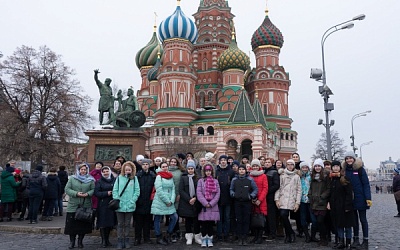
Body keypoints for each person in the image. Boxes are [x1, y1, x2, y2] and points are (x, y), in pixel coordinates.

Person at [343, 151, 371, 249]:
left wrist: (368, 198)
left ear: (354, 159)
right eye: (347, 158)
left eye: (350, 158)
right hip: (351, 200)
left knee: (363, 220)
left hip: (361, 198)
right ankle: (356, 240)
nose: (349, 160)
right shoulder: (345, 171)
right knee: (354, 221)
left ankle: (365, 241)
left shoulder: (360, 170)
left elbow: (366, 184)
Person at [64, 163, 95, 249]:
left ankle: (80, 241)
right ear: (79, 170)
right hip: (73, 205)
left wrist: (88, 194)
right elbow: (67, 189)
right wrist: (76, 193)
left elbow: (93, 189)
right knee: (72, 225)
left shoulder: (91, 180)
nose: (83, 171)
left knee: (82, 225)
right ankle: (72, 241)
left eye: (85, 170)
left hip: (85, 204)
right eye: (81, 169)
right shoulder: (72, 179)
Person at [328, 160, 355, 249]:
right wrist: (329, 203)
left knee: (347, 226)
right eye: (334, 166)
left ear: (340, 167)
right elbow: (330, 193)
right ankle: (341, 242)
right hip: (335, 206)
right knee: (339, 225)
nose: (335, 168)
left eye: (337, 166)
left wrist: (347, 206)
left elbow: (349, 193)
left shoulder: (344, 178)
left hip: (345, 206)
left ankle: (348, 242)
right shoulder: (331, 179)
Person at [112, 161, 140, 249]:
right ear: (123, 170)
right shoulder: (119, 178)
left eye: (129, 169)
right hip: (120, 205)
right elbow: (115, 190)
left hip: (130, 205)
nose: (127, 171)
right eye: (126, 169)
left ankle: (126, 240)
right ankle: (120, 240)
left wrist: (133, 201)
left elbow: (137, 191)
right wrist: (117, 200)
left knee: (127, 224)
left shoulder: (134, 179)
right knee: (120, 224)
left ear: (132, 170)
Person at [151, 161, 178, 246]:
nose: (165, 168)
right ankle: (158, 236)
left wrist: (172, 200)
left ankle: (168, 234)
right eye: (163, 166)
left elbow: (173, 188)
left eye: (166, 166)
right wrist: (166, 201)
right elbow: (159, 190)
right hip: (160, 200)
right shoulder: (159, 176)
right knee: (158, 218)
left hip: (170, 200)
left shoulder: (170, 176)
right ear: (160, 167)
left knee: (174, 217)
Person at [274, 159, 301, 244]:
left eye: (291, 164)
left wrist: (297, 202)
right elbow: (279, 187)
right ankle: (290, 233)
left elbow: (299, 190)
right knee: (283, 215)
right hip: (283, 198)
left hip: (292, 199)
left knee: (287, 216)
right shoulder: (282, 175)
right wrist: (277, 199)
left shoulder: (297, 177)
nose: (290, 166)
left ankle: (289, 234)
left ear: (293, 166)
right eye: (288, 164)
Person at [178, 159, 201, 245]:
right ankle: (189, 236)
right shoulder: (183, 178)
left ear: (194, 169)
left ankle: (197, 236)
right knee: (188, 220)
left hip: (196, 202)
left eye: (192, 168)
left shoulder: (198, 178)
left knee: (196, 220)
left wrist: (195, 198)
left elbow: (200, 189)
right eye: (189, 168)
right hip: (186, 202)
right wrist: (189, 199)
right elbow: (181, 190)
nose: (190, 170)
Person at [197, 164, 221, 248]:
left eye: (209, 171)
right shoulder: (201, 181)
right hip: (204, 206)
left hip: (212, 206)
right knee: (203, 224)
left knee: (210, 224)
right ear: (204, 172)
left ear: (212, 171)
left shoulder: (215, 181)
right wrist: (205, 203)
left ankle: (210, 239)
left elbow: (218, 193)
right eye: (206, 171)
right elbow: (199, 193)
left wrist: (211, 203)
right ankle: (204, 239)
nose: (208, 172)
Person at [308, 158, 331, 246]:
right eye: (316, 166)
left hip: (322, 202)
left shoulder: (326, 176)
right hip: (314, 202)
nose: (317, 168)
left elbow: (328, 188)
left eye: (319, 166)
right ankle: (322, 238)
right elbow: (311, 188)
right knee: (318, 222)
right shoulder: (313, 176)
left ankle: (324, 238)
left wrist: (322, 197)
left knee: (321, 221)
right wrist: (310, 196)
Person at [134, 158, 156, 245]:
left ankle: (147, 238)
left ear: (149, 165)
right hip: (139, 201)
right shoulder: (137, 175)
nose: (145, 166)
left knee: (147, 222)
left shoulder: (152, 175)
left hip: (149, 201)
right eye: (144, 164)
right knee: (138, 222)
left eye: (147, 164)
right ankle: (137, 238)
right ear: (141, 165)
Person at [94, 166, 116, 247]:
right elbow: (96, 193)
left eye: (107, 171)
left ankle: (107, 239)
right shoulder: (99, 181)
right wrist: (106, 193)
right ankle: (103, 240)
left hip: (112, 204)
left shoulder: (114, 180)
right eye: (104, 172)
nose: (106, 173)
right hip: (103, 204)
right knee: (103, 223)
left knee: (110, 223)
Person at [249, 159, 268, 244]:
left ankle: (260, 236)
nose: (255, 167)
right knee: (253, 219)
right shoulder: (249, 176)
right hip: (252, 200)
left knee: (260, 219)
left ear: (259, 166)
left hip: (261, 200)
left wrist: (260, 199)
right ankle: (255, 236)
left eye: (256, 166)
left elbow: (265, 188)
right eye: (254, 166)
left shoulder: (263, 176)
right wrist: (252, 198)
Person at [169, 156, 186, 242]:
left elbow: (181, 184)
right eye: (171, 162)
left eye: (174, 162)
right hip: (168, 196)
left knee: (176, 214)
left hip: (177, 195)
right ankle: (171, 232)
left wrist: (179, 194)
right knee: (170, 215)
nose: (173, 163)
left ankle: (176, 231)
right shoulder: (166, 171)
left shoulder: (180, 172)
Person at [264, 157, 280, 241]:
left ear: (272, 163)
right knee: (266, 215)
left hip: (271, 197)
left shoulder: (274, 172)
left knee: (272, 216)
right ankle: (267, 231)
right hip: (265, 197)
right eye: (266, 162)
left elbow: (276, 185)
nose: (267, 163)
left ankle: (272, 233)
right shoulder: (263, 171)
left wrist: (267, 191)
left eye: (268, 162)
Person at [298, 162, 312, 243]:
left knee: (312, 218)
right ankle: (307, 235)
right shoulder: (299, 177)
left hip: (310, 200)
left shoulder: (311, 176)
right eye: (303, 168)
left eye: (306, 167)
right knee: (302, 219)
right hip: (301, 200)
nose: (305, 169)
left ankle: (312, 235)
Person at [90, 161, 103, 229]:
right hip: (92, 195)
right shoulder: (91, 174)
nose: (98, 166)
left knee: (99, 211)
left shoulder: (103, 174)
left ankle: (98, 224)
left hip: (100, 194)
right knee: (92, 210)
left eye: (100, 165)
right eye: (97, 165)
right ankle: (91, 223)